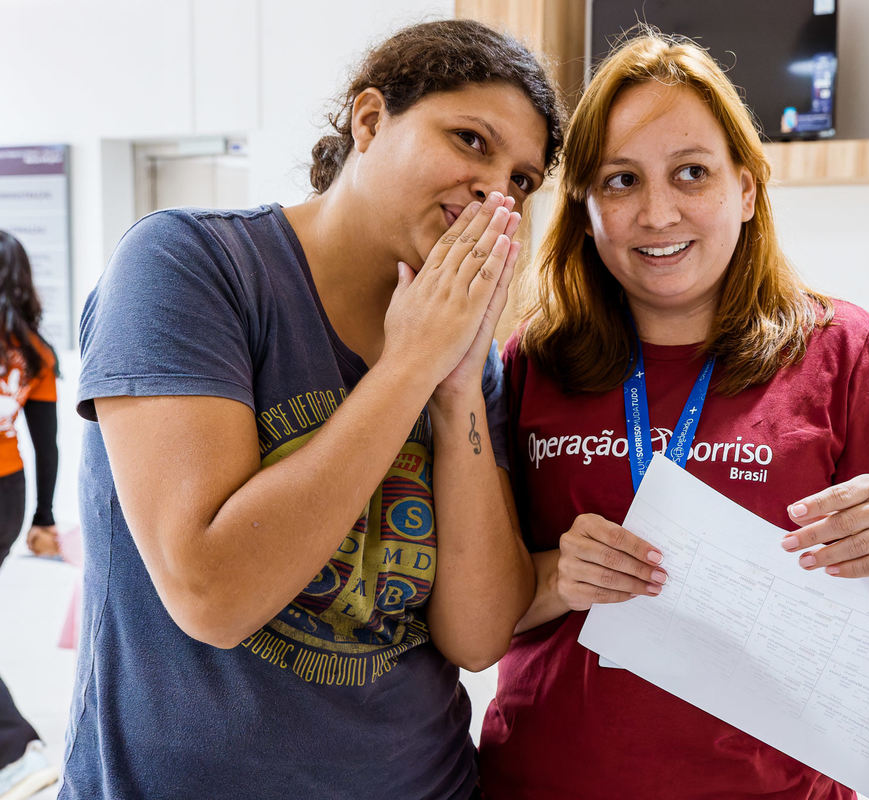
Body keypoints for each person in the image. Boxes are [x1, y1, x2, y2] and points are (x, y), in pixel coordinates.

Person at [64, 20, 561, 799]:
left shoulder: (464, 355)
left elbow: (476, 635)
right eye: (469, 140)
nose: (496, 191)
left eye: (523, 181)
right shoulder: (188, 266)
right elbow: (213, 594)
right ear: (370, 121)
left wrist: (459, 384)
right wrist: (410, 367)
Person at [478, 33, 869, 799]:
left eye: (691, 173)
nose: (657, 212)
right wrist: (557, 578)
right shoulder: (532, 361)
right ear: (586, 206)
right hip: (549, 779)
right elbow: (475, 619)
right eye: (621, 180)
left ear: (746, 188)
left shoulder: (839, 347)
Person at [0, 231, 59, 800]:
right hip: (8, 495)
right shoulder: (36, 352)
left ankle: (16, 750)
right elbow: (47, 442)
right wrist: (43, 516)